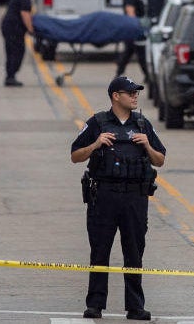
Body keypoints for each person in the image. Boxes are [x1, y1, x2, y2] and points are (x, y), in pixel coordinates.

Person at [71, 76, 166, 321]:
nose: (135, 96)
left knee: (134, 252)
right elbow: (75, 156)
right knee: (99, 250)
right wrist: (96, 144)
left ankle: (135, 306)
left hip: (135, 196)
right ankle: (95, 305)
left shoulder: (143, 125)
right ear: (116, 96)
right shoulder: (97, 123)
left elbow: (160, 160)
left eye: (136, 93)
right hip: (104, 195)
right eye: (130, 93)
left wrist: (147, 145)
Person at [0, 0, 36, 87]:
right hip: (13, 28)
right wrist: (31, 30)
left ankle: (10, 76)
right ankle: (10, 77)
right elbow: (25, 15)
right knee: (17, 52)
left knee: (12, 51)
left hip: (10, 27)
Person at [115, 0, 147, 79]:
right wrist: (135, 26)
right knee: (140, 53)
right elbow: (130, 11)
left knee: (128, 53)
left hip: (131, 28)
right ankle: (147, 75)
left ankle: (119, 73)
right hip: (132, 29)